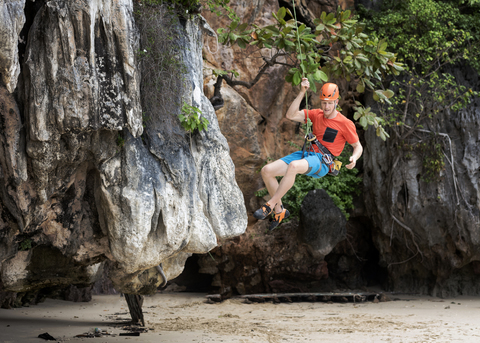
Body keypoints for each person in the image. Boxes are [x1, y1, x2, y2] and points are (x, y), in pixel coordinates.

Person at [253, 78, 363, 230]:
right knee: (267, 171)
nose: (326, 106)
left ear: (336, 102)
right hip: (306, 154)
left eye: (330, 103)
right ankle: (279, 211)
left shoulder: (345, 123)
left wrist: (354, 157)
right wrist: (301, 92)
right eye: (324, 102)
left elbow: (358, 146)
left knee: (293, 166)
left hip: (323, 162)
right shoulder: (316, 114)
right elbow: (290, 115)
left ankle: (270, 205)